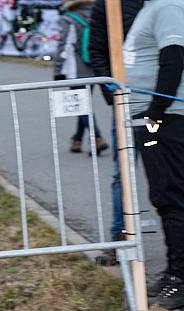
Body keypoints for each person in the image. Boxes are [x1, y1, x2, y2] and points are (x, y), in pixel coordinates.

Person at [123, 0, 184, 309]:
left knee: (171, 196)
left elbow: (174, 59)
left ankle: (180, 277)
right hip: (157, 119)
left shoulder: (167, 7)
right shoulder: (153, 8)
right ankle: (176, 271)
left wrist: (155, 113)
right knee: (166, 196)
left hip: (167, 120)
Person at [88, 0, 145, 264]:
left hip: (167, 101)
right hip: (127, 100)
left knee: (171, 175)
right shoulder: (108, 5)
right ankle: (120, 238)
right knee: (122, 171)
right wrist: (114, 93)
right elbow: (96, 51)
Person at [52, 0, 108, 154]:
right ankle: (77, 140)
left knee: (80, 105)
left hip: (76, 69)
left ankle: (97, 138)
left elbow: (64, 45)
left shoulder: (69, 19)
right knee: (83, 104)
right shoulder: (99, 15)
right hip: (96, 67)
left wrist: (58, 69)